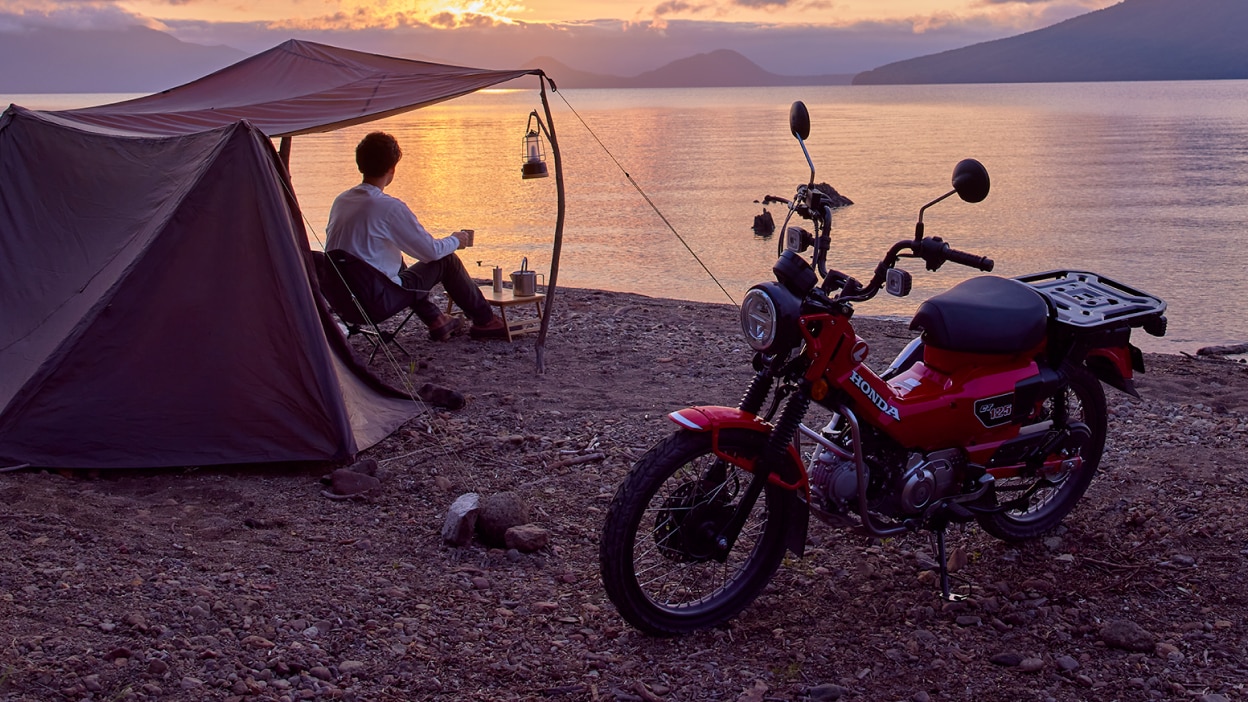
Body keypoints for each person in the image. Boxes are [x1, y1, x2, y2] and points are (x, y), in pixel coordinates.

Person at [326, 131, 507, 341]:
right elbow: (430, 252)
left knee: (394, 260)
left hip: (343, 301)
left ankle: (436, 319)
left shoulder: (341, 201)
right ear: (392, 169)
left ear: (360, 165)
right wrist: (456, 239)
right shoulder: (388, 207)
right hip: (376, 302)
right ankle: (485, 321)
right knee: (446, 260)